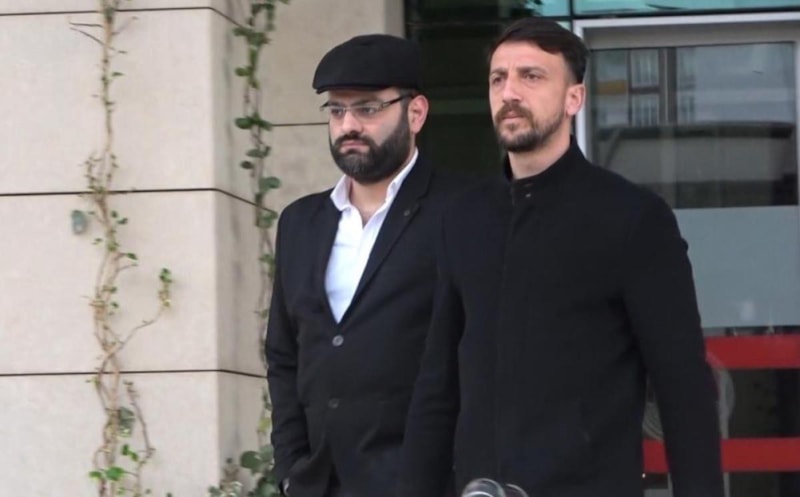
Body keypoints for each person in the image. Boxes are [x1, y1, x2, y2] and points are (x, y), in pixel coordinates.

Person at [398, 18, 724, 497]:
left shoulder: (632, 218)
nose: (509, 92)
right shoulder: (463, 219)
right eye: (498, 78)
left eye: (531, 76)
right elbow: (437, 386)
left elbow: (683, 387)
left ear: (575, 98)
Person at [265, 34, 469, 497]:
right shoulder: (300, 222)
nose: (349, 125)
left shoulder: (464, 211)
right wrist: (291, 470)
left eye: (368, 108)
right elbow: (284, 354)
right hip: (319, 483)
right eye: (337, 110)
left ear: (416, 113)